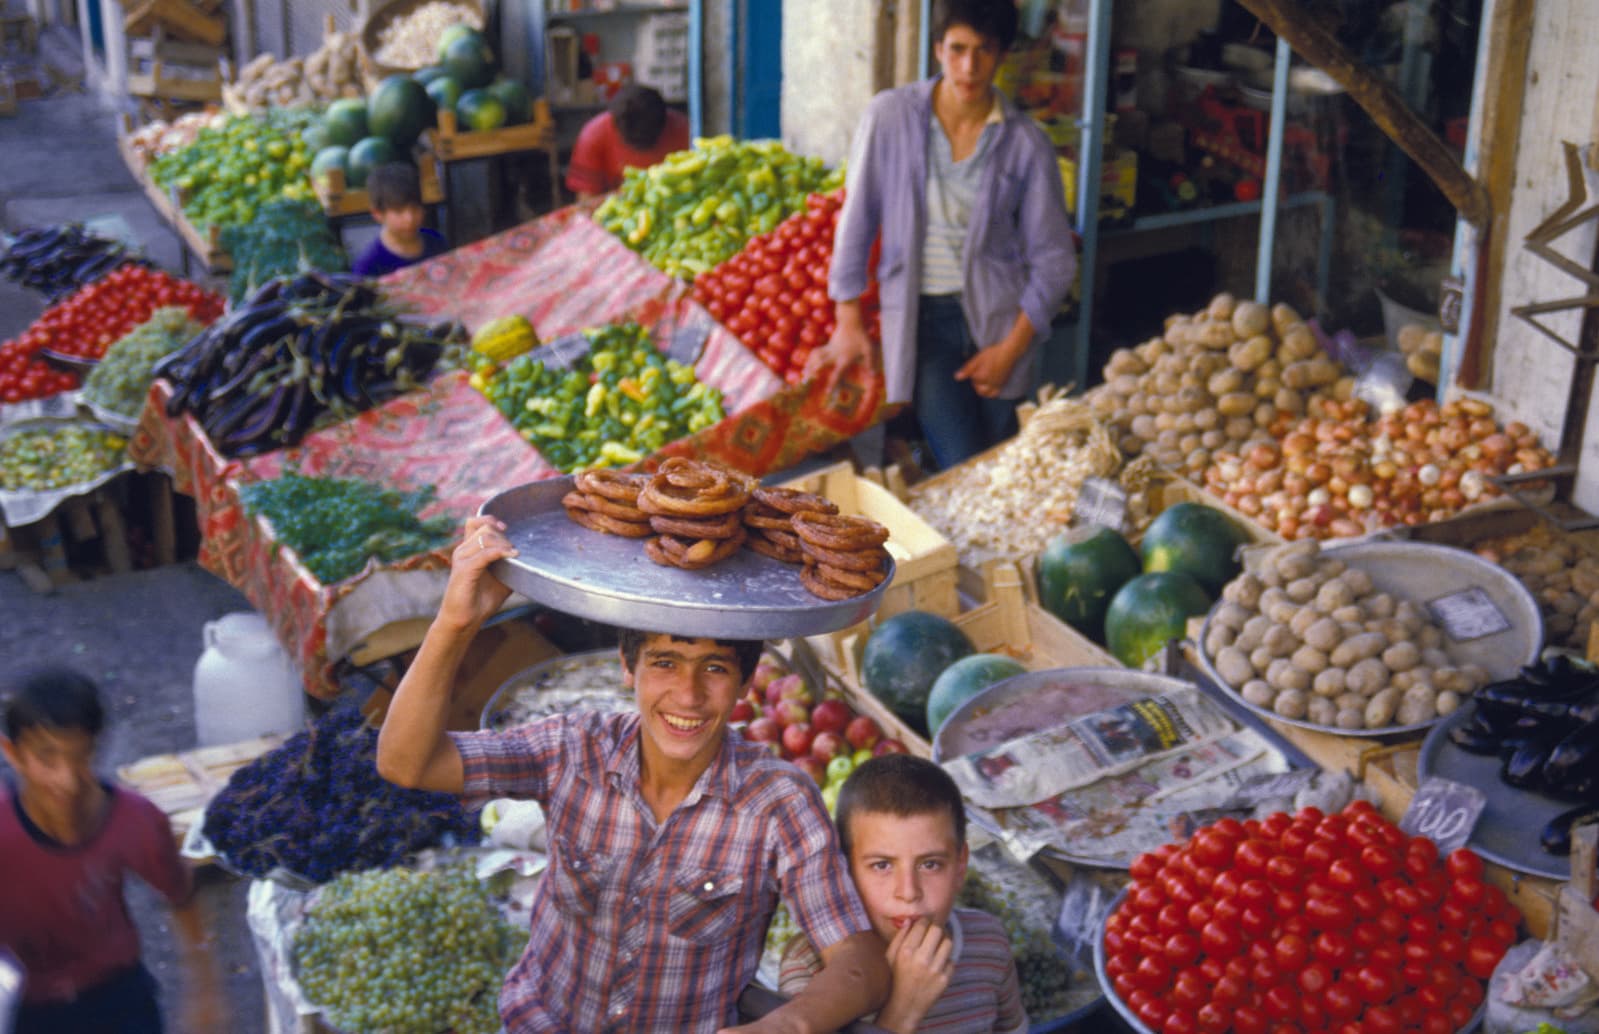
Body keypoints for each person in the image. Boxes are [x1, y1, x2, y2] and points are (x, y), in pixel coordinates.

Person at [375, 513, 891, 1033]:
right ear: (628, 668)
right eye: (665, 662)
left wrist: (788, 1025)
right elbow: (405, 762)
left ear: (745, 684)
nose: (687, 695)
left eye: (714, 668)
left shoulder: (778, 802)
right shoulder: (572, 750)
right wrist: (455, 621)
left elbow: (861, 964)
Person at [803, 0, 1076, 471]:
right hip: (923, 320)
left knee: (999, 468)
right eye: (957, 49)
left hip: (1001, 323)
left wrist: (1011, 350)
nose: (968, 67)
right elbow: (858, 217)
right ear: (937, 48)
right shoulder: (890, 117)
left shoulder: (1026, 144)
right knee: (963, 462)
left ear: (1002, 55)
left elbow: (1054, 259)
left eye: (984, 51)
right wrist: (846, 318)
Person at [1, 668, 219, 1034]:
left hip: (119, 997)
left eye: (81, 757)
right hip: (30, 1005)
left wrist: (205, 990)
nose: (67, 780)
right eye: (47, 758)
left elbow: (181, 895)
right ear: (13, 754)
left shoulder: (134, 821)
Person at [778, 754, 1027, 1034]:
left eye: (930, 864)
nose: (908, 892)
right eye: (882, 865)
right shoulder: (810, 969)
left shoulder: (988, 942)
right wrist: (902, 1012)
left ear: (959, 867)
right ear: (844, 870)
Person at [565, 83, 692, 199]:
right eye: (633, 142)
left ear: (665, 123)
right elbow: (586, 201)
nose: (640, 150)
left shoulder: (685, 130)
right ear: (614, 123)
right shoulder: (593, 136)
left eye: (647, 139)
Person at [351, 162, 449, 277]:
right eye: (398, 212)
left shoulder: (437, 243)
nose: (410, 219)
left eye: (415, 208)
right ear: (377, 214)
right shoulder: (367, 266)